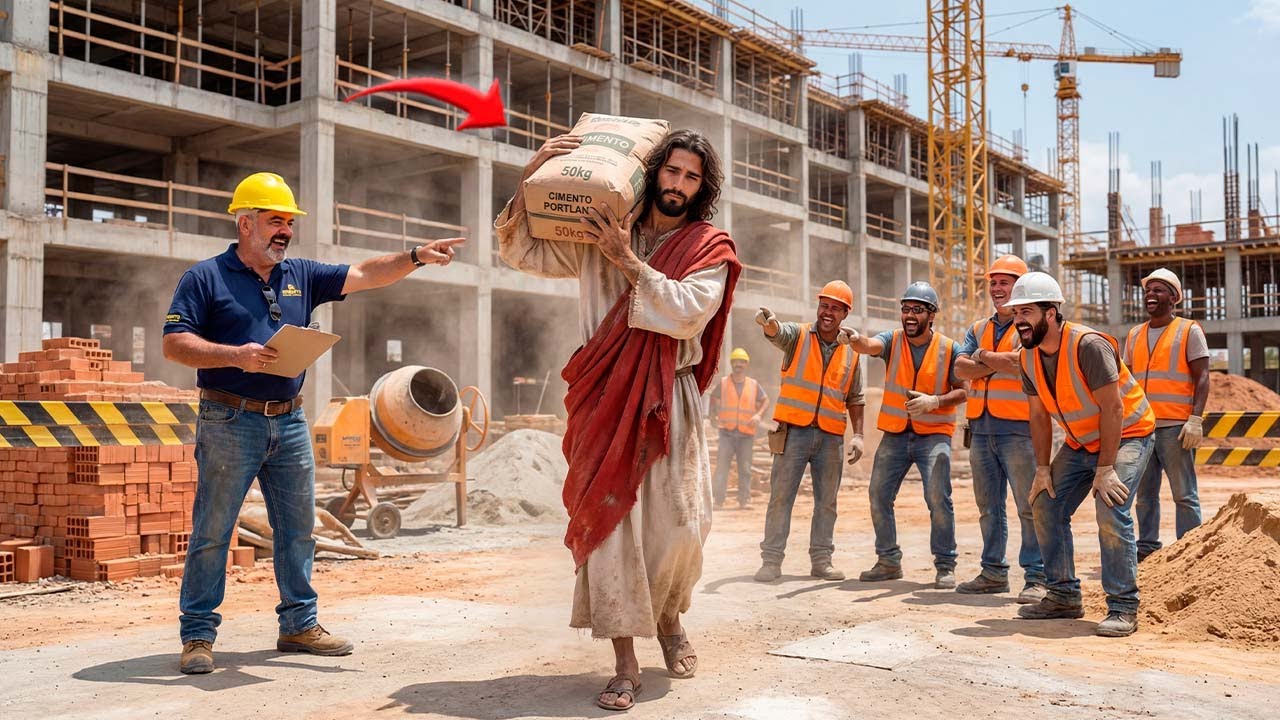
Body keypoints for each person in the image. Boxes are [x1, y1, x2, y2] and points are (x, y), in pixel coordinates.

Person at [163, 171, 465, 674]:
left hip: (290, 421)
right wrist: (235, 355)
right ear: (244, 223)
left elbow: (365, 274)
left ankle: (299, 625)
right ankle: (197, 635)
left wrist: (415, 256)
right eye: (274, 221)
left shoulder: (300, 273)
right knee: (213, 531)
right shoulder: (205, 278)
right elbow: (175, 344)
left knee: (298, 530)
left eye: (289, 222)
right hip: (229, 419)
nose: (285, 231)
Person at [496, 130, 740, 712]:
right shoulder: (601, 226)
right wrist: (530, 177)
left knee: (680, 526)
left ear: (702, 187)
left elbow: (686, 313)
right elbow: (523, 251)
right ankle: (625, 661)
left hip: (671, 395)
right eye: (672, 171)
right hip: (605, 395)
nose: (678, 184)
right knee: (610, 530)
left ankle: (670, 618)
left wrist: (626, 260)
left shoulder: (707, 245)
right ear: (654, 172)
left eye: (691, 177)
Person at [1004, 271, 1155, 637]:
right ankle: (1063, 596)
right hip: (1081, 442)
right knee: (1045, 504)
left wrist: (1105, 469)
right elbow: (1038, 416)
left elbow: (1114, 409)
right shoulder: (1027, 357)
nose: (1019, 320)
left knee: (1110, 505)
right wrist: (1043, 469)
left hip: (1127, 435)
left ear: (1050, 313)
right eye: (1016, 312)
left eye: (1026, 312)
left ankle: (1123, 606)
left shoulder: (1088, 345)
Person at [840, 281, 966, 589]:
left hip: (933, 434)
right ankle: (888, 561)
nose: (909, 315)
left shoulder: (950, 349)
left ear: (931, 315)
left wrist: (935, 401)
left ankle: (945, 564)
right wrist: (855, 339)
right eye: (906, 309)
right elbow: (869, 345)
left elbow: (964, 391)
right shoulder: (893, 340)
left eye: (917, 310)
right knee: (878, 494)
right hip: (896, 433)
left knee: (937, 496)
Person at [752, 281, 866, 583]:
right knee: (780, 498)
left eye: (835, 308)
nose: (827, 312)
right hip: (794, 433)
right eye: (824, 305)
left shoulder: (852, 351)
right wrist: (770, 323)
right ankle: (771, 561)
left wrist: (859, 435)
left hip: (831, 437)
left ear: (845, 314)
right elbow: (779, 332)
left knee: (827, 503)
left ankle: (822, 561)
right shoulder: (799, 336)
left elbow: (856, 398)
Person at [952, 255, 1046, 603]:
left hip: (1019, 428)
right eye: (993, 282)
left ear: (1020, 287)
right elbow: (960, 369)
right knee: (988, 506)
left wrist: (981, 357)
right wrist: (993, 361)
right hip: (981, 429)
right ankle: (993, 572)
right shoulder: (978, 328)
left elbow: (1021, 362)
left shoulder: (1031, 325)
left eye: (1004, 282)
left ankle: (1037, 576)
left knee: (1029, 506)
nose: (996, 288)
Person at [1123, 268, 1209, 562]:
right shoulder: (1134, 334)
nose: (1150, 294)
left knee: (1184, 494)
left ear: (1173, 298)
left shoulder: (1188, 330)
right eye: (1148, 290)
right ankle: (1147, 548)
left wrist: (1195, 419)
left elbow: (1202, 376)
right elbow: (1126, 381)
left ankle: (1190, 550)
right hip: (1142, 427)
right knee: (1144, 496)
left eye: (1158, 290)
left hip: (1176, 427)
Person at [707, 348, 769, 509]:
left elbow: (765, 401)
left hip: (746, 434)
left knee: (745, 469)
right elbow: (713, 398)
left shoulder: (753, 385)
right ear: (732, 363)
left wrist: (758, 416)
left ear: (746, 364)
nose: (738, 364)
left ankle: (744, 500)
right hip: (726, 433)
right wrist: (713, 417)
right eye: (736, 361)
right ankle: (718, 501)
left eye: (742, 362)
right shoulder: (723, 383)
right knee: (722, 468)